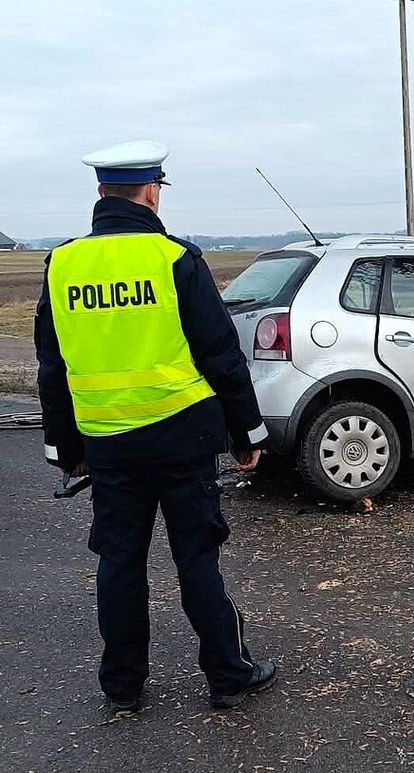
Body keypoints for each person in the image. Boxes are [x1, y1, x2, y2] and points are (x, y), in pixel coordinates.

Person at [34, 140, 276, 713]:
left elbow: (52, 365)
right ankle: (227, 676)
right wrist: (249, 433)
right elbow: (221, 355)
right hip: (181, 437)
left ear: (101, 193)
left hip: (108, 444)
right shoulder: (176, 259)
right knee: (196, 558)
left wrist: (64, 448)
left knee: (119, 562)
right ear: (151, 193)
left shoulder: (62, 263)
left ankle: (122, 687)